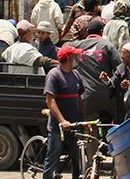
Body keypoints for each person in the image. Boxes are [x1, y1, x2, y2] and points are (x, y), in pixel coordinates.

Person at [43, 45, 84, 179]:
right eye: (74, 56)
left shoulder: (76, 75)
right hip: (58, 126)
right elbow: (50, 100)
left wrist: (84, 121)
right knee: (53, 157)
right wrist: (62, 120)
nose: (77, 58)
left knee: (76, 158)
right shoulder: (54, 75)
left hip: (74, 125)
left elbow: (80, 99)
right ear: (68, 58)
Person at [72, 19, 123, 123]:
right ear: (101, 32)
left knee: (86, 127)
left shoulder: (76, 46)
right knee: (108, 127)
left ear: (87, 32)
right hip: (107, 97)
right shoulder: (107, 45)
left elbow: (63, 50)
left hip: (86, 97)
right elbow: (120, 68)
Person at [99, 42, 130, 123]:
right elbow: (113, 84)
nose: (121, 56)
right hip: (122, 110)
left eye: (124, 53)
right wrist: (107, 80)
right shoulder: (120, 70)